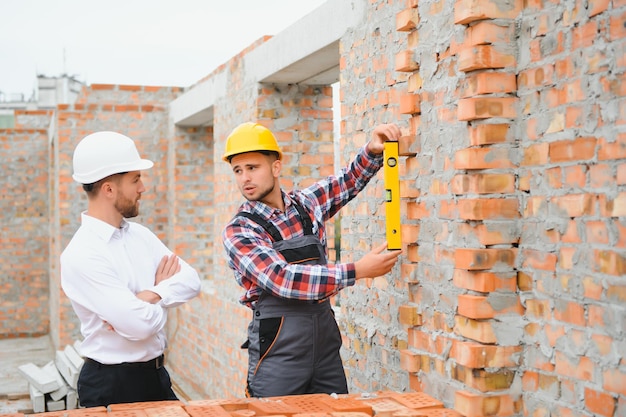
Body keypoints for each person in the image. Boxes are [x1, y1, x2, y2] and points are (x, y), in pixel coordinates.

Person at [222, 122, 403, 398]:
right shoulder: (240, 230)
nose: (245, 178)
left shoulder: (306, 205)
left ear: (276, 167)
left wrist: (372, 149)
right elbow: (282, 279)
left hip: (325, 348)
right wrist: (356, 271)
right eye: (238, 170)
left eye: (252, 168)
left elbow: (347, 181)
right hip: (279, 355)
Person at [60, 131, 201, 407]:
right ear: (109, 189)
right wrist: (165, 299)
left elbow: (192, 281)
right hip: (112, 387)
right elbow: (140, 327)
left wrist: (148, 296)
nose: (143, 188)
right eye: (136, 179)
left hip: (157, 376)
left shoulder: (141, 236)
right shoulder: (82, 254)